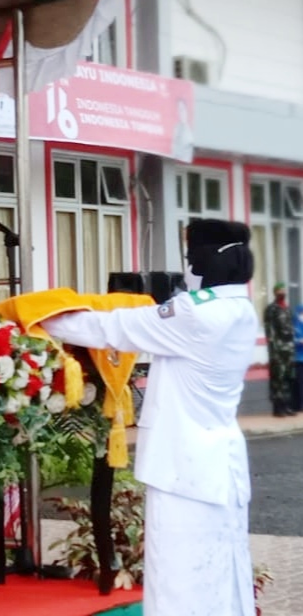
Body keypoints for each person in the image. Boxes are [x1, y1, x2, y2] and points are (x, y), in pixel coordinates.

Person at [43, 219, 257, 616]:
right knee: (223, 572)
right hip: (219, 464)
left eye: (192, 249)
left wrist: (40, 315)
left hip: (182, 469)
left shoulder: (194, 313)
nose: (189, 258)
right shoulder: (240, 309)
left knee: (178, 579)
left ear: (210, 256)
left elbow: (112, 328)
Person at [264, 282, 296, 417]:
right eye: (280, 290)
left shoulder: (286, 309)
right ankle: (278, 408)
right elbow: (270, 331)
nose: (282, 292)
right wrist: (273, 351)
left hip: (288, 349)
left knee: (288, 377)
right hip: (277, 349)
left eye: (284, 290)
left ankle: (287, 406)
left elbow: (290, 329)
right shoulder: (272, 309)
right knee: (278, 378)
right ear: (275, 292)